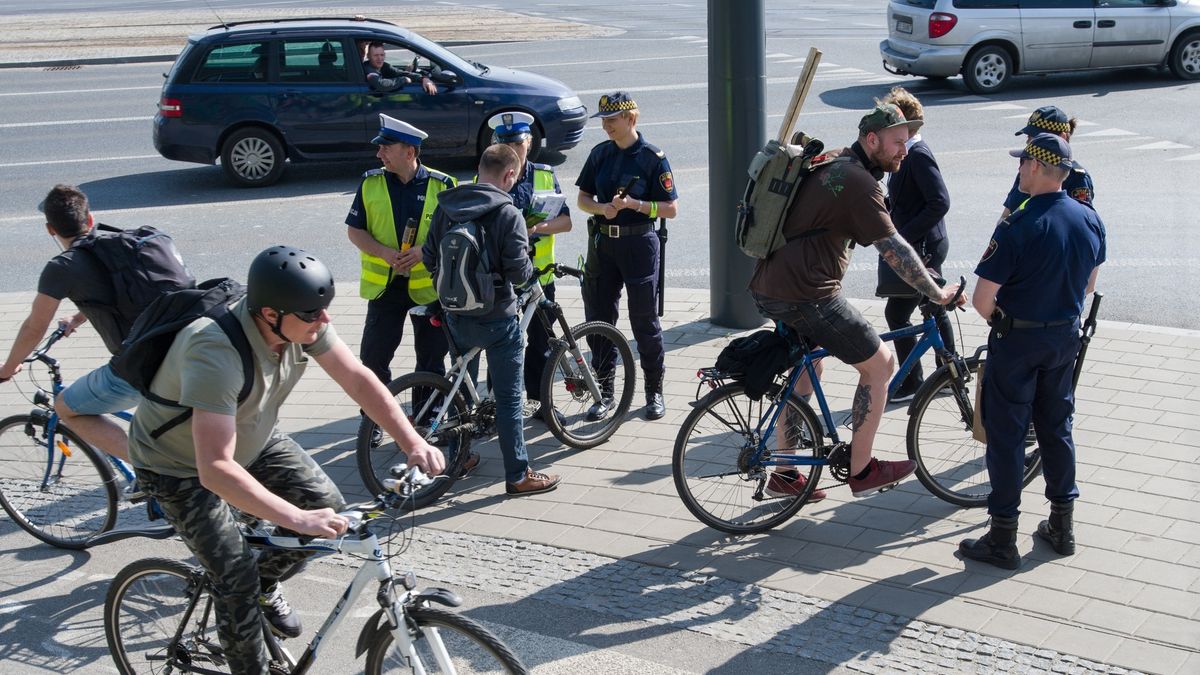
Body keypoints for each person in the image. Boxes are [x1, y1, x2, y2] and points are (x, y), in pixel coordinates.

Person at [128, 246, 446, 674]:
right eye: (313, 313)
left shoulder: (300, 325)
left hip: (252, 437)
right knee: (236, 575)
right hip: (178, 466)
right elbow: (215, 468)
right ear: (270, 314)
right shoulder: (214, 350)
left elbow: (357, 378)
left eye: (324, 310)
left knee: (324, 505)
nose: (325, 320)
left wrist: (412, 440)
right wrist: (297, 519)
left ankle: (264, 584)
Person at [748, 103, 961, 499]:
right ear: (872, 139)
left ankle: (783, 471)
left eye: (908, 141)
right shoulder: (859, 182)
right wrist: (936, 292)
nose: (904, 149)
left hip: (771, 283)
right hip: (807, 294)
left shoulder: (834, 162)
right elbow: (893, 247)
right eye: (898, 142)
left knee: (809, 369)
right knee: (880, 364)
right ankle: (862, 470)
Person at [959, 134, 1105, 570]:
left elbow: (983, 300)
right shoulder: (1088, 218)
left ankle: (1002, 536)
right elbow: (1089, 286)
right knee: (1056, 427)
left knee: (1006, 437)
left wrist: (1005, 321)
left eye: (1023, 163)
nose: (1019, 169)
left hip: (1018, 341)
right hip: (1064, 338)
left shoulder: (1019, 224)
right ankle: (1062, 526)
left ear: (1039, 168)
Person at [423, 144, 562, 497]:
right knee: (509, 398)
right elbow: (518, 271)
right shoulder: (508, 213)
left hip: (456, 314)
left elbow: (428, 257)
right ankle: (518, 475)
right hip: (497, 320)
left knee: (461, 391)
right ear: (510, 175)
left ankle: (460, 457)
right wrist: (530, 274)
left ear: (480, 168)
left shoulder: (446, 205)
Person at [0, 185, 163, 467]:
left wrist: (8, 368)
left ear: (50, 229)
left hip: (141, 368)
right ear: (89, 219)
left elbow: (34, 328)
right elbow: (121, 293)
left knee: (65, 408)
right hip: (183, 346)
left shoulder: (62, 267)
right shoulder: (120, 243)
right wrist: (77, 319)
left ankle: (153, 471)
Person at [345, 114, 455, 445]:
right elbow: (355, 231)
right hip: (385, 288)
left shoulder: (443, 185)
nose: (379, 154)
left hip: (428, 289)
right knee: (374, 358)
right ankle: (376, 419)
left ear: (409, 151)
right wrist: (383, 252)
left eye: (386, 148)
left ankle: (427, 419)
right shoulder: (370, 183)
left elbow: (456, 233)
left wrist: (423, 251)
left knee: (431, 359)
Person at [575, 92, 679, 420]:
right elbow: (582, 198)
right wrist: (601, 208)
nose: (606, 126)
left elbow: (671, 209)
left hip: (639, 244)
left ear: (631, 118)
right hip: (603, 245)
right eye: (603, 120)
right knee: (599, 319)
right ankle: (604, 391)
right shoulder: (600, 154)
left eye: (612, 120)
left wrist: (635, 205)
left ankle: (653, 390)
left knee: (644, 320)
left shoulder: (652, 157)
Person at [486, 111, 573, 422]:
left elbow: (566, 221)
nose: (513, 149)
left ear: (530, 143)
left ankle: (539, 402)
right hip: (501, 276)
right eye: (506, 142)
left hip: (538, 276)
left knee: (541, 343)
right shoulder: (489, 175)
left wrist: (536, 228)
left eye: (518, 143)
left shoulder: (544, 175)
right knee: (502, 342)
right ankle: (496, 406)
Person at [877, 86, 955, 403]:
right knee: (932, 309)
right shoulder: (908, 154)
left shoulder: (918, 156)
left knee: (898, 313)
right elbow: (908, 197)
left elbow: (940, 202)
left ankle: (915, 381)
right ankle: (948, 373)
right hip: (923, 243)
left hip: (924, 246)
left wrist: (903, 235)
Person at [997, 105, 1094, 222]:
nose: (1028, 142)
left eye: (1037, 137)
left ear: (1062, 137)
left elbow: (1081, 221)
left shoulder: (1076, 177)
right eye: (1028, 137)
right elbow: (1006, 215)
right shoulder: (1028, 170)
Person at [362, 41, 438, 95]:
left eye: (382, 55)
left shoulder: (384, 66)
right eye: (376, 55)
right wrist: (403, 79)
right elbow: (382, 84)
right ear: (368, 56)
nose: (379, 58)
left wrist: (423, 78)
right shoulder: (368, 69)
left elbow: (399, 73)